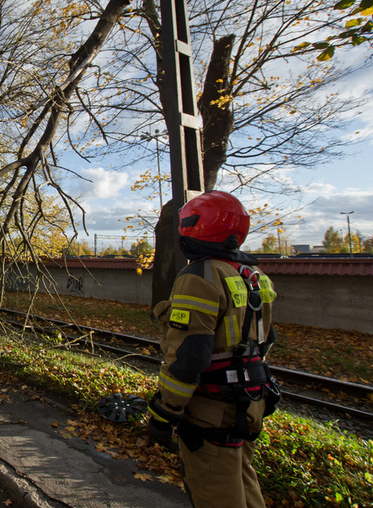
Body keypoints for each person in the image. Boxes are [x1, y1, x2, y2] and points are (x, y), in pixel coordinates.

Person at [147, 190, 281, 508]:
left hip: (210, 412)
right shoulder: (254, 277)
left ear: (194, 228)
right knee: (244, 487)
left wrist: (165, 411)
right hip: (248, 403)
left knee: (216, 492)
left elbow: (189, 356)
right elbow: (265, 340)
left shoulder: (199, 277)